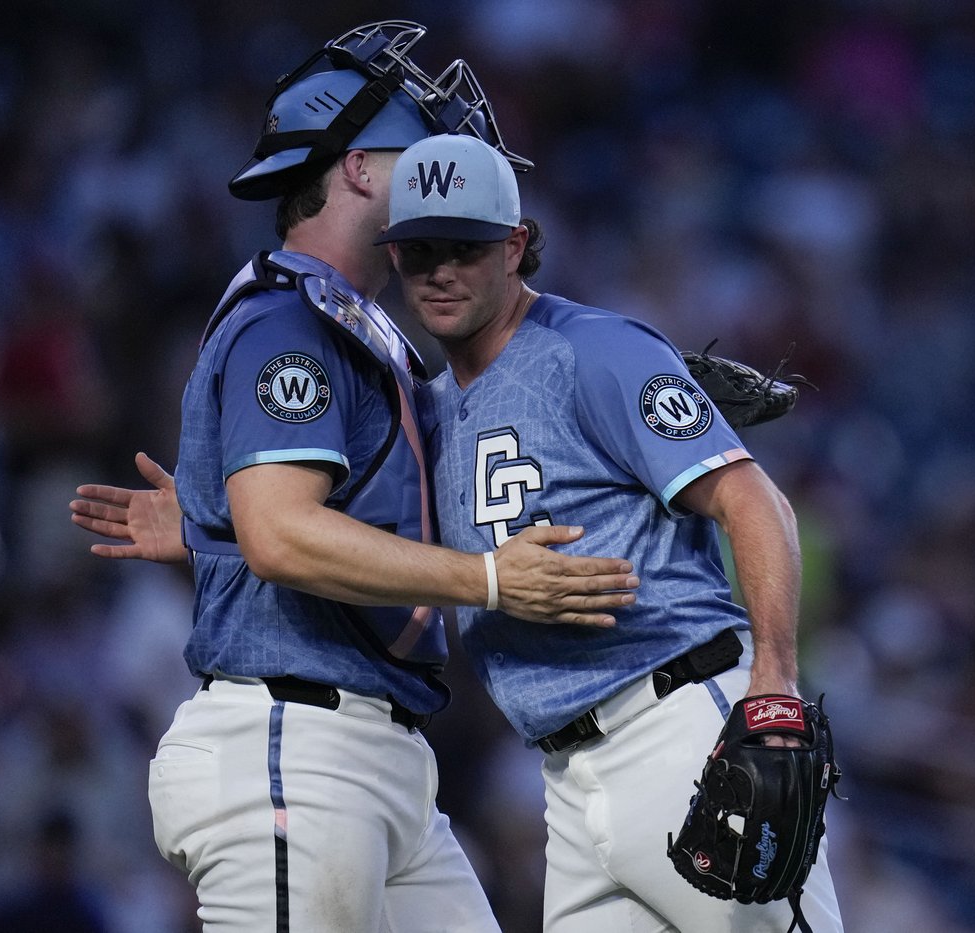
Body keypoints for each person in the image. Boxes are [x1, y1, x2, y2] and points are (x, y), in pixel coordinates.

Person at [68, 23, 639, 933]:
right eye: (420, 147)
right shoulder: (288, 320)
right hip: (297, 743)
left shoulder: (349, 323)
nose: (442, 165)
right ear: (362, 169)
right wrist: (489, 581)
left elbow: (277, 525)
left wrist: (215, 518)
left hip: (378, 761)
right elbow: (283, 533)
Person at [373, 133, 845, 931]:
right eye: (420, 250)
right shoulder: (430, 408)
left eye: (467, 245)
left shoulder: (592, 350)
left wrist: (774, 677)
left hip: (681, 726)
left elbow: (755, 501)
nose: (441, 270)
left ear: (516, 245)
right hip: (566, 779)